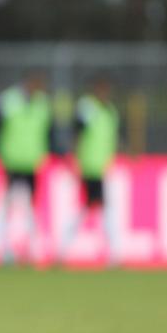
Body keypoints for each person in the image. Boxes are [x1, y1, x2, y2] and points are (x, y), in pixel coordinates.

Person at [0, 71, 52, 263]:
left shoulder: (43, 104)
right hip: (11, 161)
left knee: (30, 207)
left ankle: (32, 249)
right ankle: (5, 250)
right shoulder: (8, 100)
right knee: (8, 206)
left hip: (32, 163)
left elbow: (48, 132)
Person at [61, 75, 120, 262]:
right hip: (88, 166)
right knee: (98, 207)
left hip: (102, 168)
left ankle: (63, 249)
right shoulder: (88, 108)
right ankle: (113, 254)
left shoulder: (110, 111)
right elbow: (77, 133)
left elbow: (112, 138)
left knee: (91, 208)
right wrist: (73, 158)